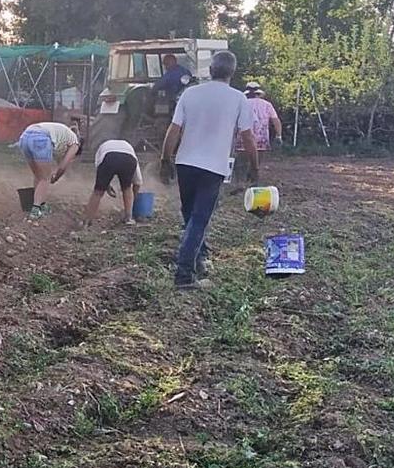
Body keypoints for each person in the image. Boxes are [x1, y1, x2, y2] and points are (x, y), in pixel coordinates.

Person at [160, 50, 258, 291]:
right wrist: (254, 166)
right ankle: (183, 275)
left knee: (190, 216)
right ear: (232, 73)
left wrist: (165, 159)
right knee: (199, 218)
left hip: (185, 164)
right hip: (213, 167)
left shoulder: (190, 93)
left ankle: (201, 257)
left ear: (210, 70)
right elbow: (248, 137)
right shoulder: (237, 99)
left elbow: (173, 130)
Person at [17, 122, 81, 219]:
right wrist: (56, 178)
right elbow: (62, 166)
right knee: (45, 177)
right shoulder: (75, 143)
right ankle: (35, 210)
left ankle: (41, 204)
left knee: (38, 175)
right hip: (40, 138)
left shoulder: (63, 135)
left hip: (25, 137)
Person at [84, 139, 143, 226]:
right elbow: (138, 182)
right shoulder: (130, 150)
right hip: (128, 159)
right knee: (127, 188)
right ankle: (128, 218)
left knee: (98, 192)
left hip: (109, 157)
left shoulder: (102, 147)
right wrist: (135, 197)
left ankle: (88, 220)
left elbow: (99, 167)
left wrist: (104, 186)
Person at [234, 82, 283, 182]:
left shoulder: (241, 104)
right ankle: (253, 182)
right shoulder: (267, 105)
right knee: (256, 164)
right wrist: (279, 135)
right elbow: (275, 120)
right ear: (259, 93)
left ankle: (240, 183)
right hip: (261, 139)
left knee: (241, 163)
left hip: (243, 138)